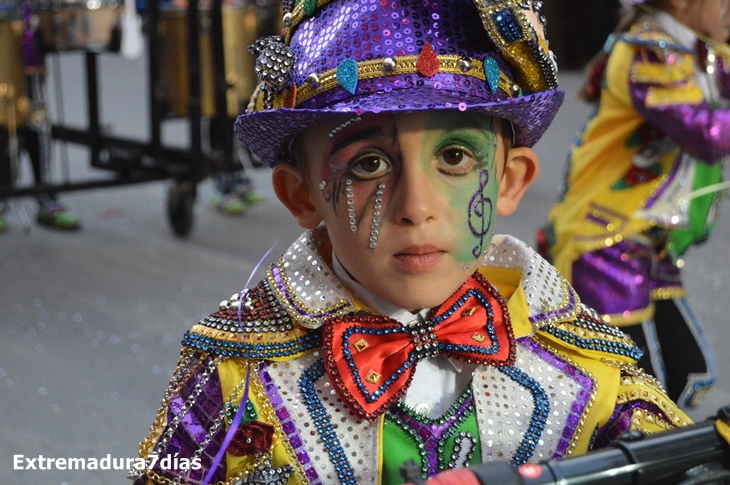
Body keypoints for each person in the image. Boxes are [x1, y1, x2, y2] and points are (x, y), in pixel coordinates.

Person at [129, 1, 691, 484]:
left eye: (454, 157)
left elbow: (681, 462)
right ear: (302, 197)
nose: (416, 207)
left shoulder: (577, 361)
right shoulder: (235, 376)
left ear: (511, 180)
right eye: (369, 164)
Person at [541, 0, 730, 410]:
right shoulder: (648, 51)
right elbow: (707, 134)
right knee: (636, 399)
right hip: (604, 239)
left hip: (650, 239)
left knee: (688, 373)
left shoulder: (700, 47)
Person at [0, 0, 80, 232]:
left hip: (28, 24)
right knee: (4, 113)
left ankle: (45, 195)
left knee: (36, 113)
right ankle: (3, 195)